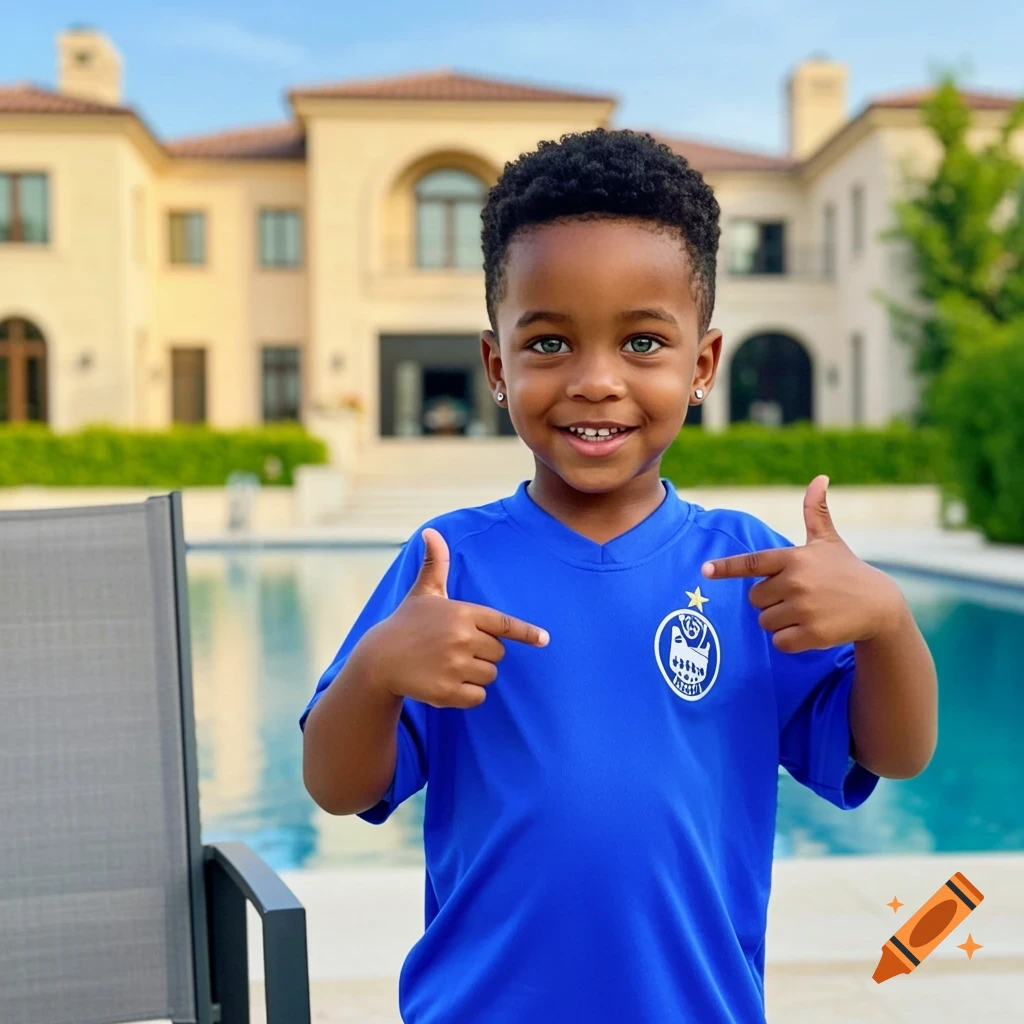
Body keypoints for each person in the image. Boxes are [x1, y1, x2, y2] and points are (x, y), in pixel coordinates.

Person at [300, 128, 938, 1023]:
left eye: (641, 342)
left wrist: (888, 623)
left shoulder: (745, 567)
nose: (596, 382)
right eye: (549, 344)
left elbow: (896, 753)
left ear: (702, 365)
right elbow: (338, 790)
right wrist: (374, 671)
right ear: (497, 365)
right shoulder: (449, 565)